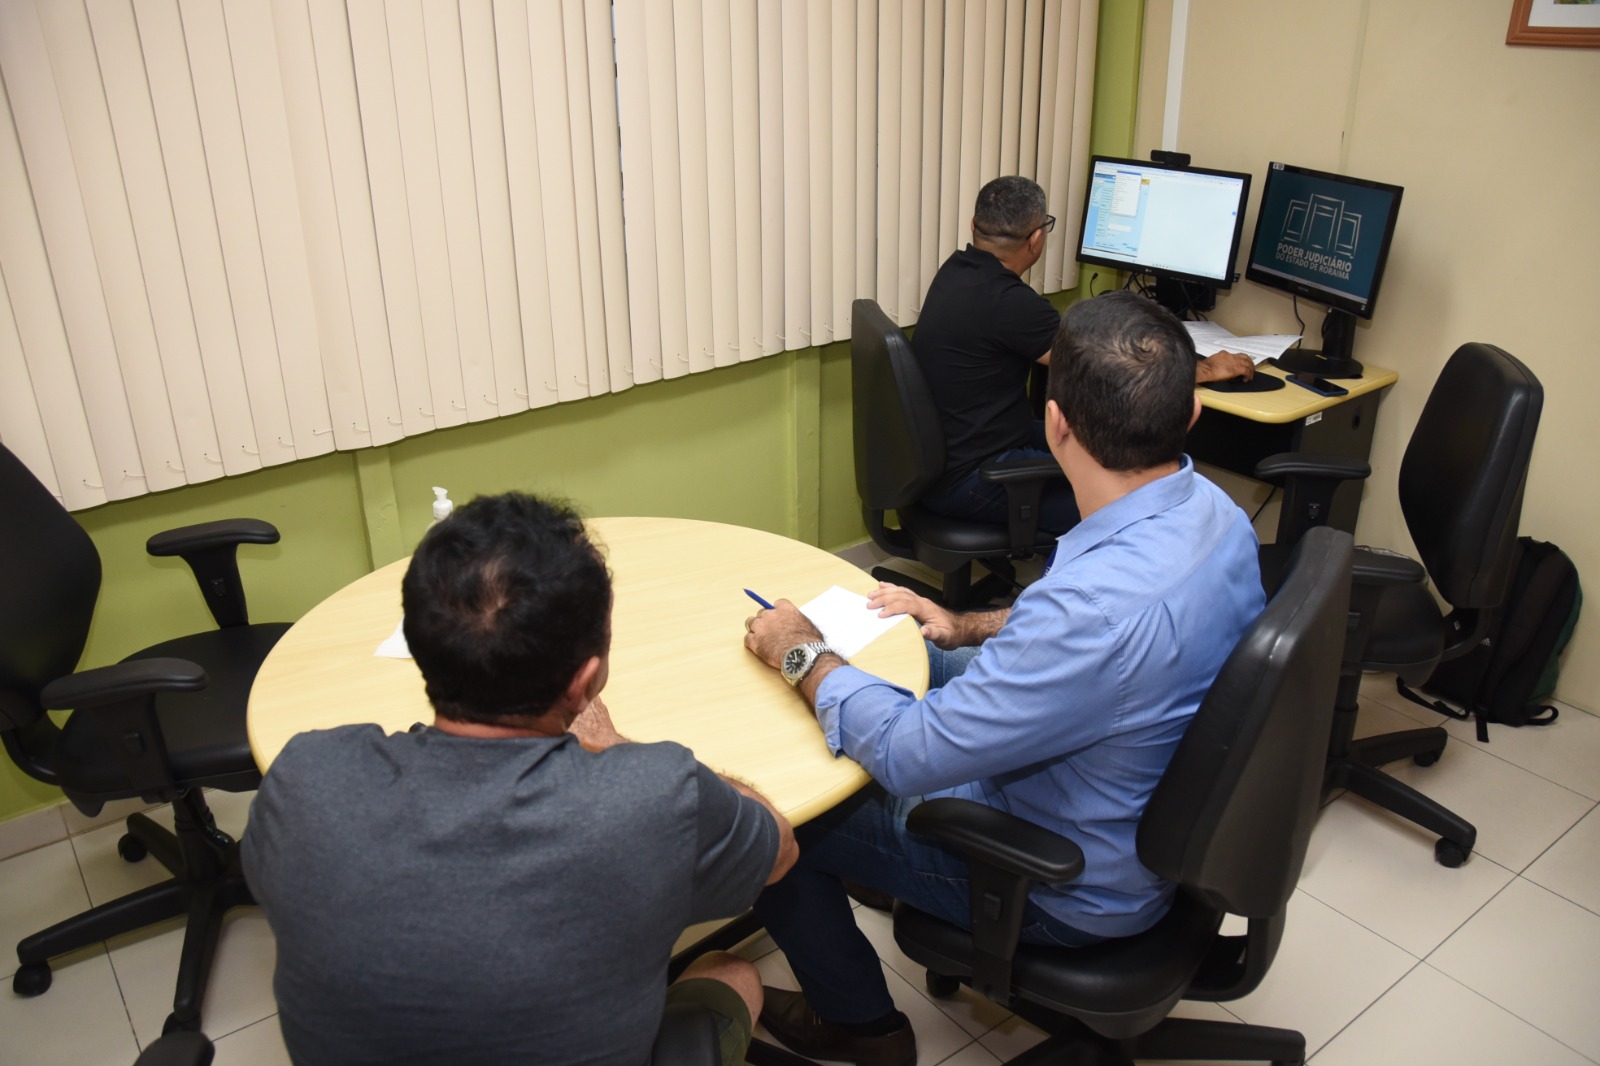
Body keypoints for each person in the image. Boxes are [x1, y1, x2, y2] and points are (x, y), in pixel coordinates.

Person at [742, 290, 1265, 1066]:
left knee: (769, 823)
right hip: (1153, 806)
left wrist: (800, 652)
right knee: (922, 655)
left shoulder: (1088, 612)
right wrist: (965, 625)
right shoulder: (1217, 514)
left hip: (1070, 881)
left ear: (1056, 424)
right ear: (1189, 417)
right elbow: (1085, 639)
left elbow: (911, 754)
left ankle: (863, 1028)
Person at [242, 493, 798, 1066]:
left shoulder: (304, 780)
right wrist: (611, 745)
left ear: (422, 647)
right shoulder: (652, 797)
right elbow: (779, 849)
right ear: (586, 681)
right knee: (730, 971)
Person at [913, 175, 1255, 533]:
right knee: (1122, 510)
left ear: (974, 227)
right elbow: (1108, 371)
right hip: (972, 477)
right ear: (1036, 239)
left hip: (953, 455)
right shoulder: (1010, 303)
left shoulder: (955, 272)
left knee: (1100, 450)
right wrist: (1205, 369)